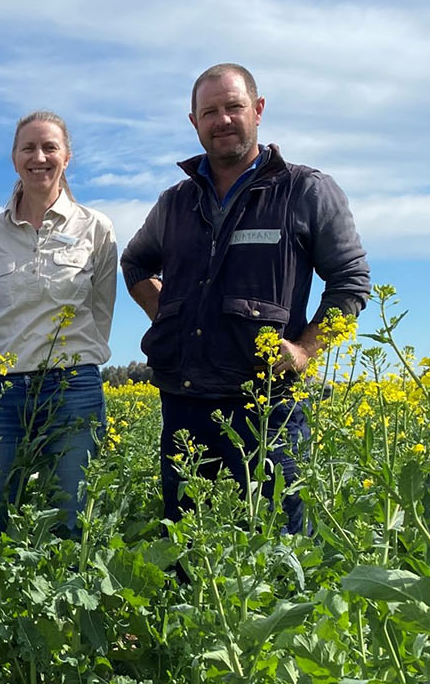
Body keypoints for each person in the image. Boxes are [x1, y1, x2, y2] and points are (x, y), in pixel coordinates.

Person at [120, 63, 369, 532]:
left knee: (280, 551)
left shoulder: (305, 190)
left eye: (233, 107)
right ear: (194, 122)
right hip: (184, 404)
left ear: (257, 110)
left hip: (267, 409)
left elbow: (351, 282)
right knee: (190, 555)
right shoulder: (175, 202)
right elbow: (135, 264)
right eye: (209, 111)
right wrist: (166, 318)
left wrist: (303, 351)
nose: (222, 120)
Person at [0, 111, 117, 535]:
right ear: (14, 158)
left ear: (66, 157)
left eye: (50, 147)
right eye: (28, 148)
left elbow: (100, 312)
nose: (39, 157)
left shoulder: (97, 228)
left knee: (71, 513)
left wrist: (72, 358)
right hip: (4, 392)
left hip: (74, 390)